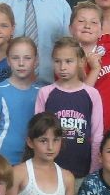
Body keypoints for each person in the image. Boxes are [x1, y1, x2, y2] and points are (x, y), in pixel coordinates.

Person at [35, 36, 104, 181]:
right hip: (50, 173)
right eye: (57, 61)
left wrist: (93, 171)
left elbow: (97, 135)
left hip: (82, 171)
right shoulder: (45, 93)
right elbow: (38, 134)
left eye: (68, 61)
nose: (62, 67)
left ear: (81, 62)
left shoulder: (92, 94)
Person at [0, 36, 41, 165]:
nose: (21, 63)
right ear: (8, 60)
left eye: (27, 58)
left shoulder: (43, 91)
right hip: (3, 160)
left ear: (36, 61)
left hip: (34, 161)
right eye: (15, 58)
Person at [73, 0, 110, 132]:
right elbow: (79, 97)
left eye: (94, 22)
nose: (87, 26)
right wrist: (94, 69)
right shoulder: (66, 57)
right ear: (70, 28)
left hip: (109, 128)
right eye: (81, 21)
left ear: (101, 30)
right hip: (81, 130)